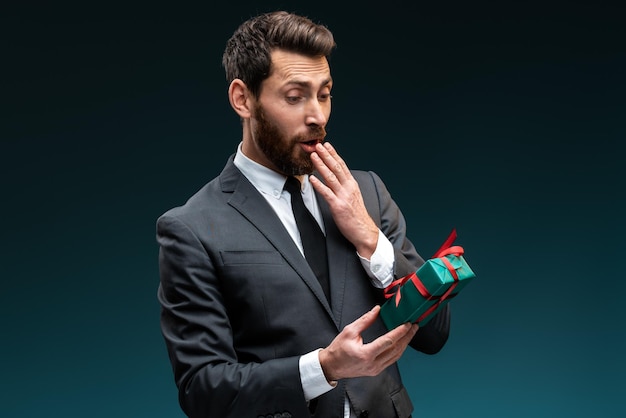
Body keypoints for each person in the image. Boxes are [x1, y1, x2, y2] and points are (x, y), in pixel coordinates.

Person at [157, 10, 451, 418]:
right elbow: (203, 391)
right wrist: (324, 368)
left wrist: (370, 238)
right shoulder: (190, 228)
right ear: (243, 99)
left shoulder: (367, 192)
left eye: (325, 93)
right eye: (295, 97)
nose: (317, 116)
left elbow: (434, 335)